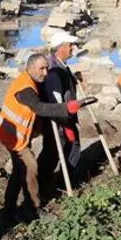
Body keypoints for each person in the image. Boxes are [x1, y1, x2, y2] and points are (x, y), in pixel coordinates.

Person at [0, 53, 85, 222]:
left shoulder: (31, 81)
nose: (45, 73)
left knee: (18, 171)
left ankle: (9, 208)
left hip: (14, 133)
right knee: (31, 167)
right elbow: (39, 107)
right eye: (41, 69)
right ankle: (33, 209)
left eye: (47, 68)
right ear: (30, 68)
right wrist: (66, 108)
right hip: (13, 137)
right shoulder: (25, 88)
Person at [38, 31, 82, 196]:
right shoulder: (54, 71)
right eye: (70, 45)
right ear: (61, 48)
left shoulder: (60, 65)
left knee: (59, 150)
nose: (73, 48)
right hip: (58, 119)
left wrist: (73, 78)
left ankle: (58, 183)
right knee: (56, 150)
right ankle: (49, 185)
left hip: (62, 117)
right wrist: (64, 122)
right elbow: (55, 99)